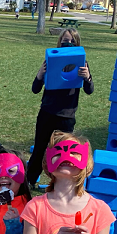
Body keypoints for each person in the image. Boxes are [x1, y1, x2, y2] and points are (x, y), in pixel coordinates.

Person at [27, 28, 93, 187]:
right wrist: (39, 75)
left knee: (63, 152)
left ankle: (59, 183)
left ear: (77, 43)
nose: (67, 44)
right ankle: (30, 180)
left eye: (71, 41)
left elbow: (89, 90)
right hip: (47, 112)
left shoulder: (81, 63)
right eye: (64, 41)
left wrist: (87, 78)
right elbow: (35, 89)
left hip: (66, 115)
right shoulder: (50, 61)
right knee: (39, 148)